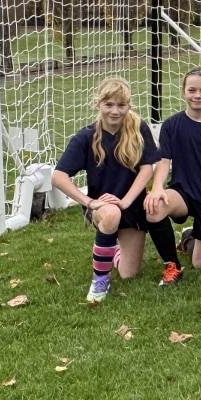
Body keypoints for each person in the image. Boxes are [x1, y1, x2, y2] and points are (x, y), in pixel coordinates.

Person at [52, 76, 165, 303]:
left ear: (129, 106)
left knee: (129, 274)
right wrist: (90, 202)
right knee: (111, 214)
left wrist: (125, 202)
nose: (115, 111)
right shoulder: (86, 137)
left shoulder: (137, 129)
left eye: (121, 105)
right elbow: (58, 177)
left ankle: (110, 249)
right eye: (109, 105)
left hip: (131, 207)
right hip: (102, 207)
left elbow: (147, 169)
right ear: (98, 104)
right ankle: (100, 280)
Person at [145, 67, 201, 273]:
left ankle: (189, 238)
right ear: (183, 91)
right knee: (155, 206)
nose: (197, 96)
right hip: (182, 193)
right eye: (192, 90)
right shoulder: (172, 125)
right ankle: (172, 266)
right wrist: (157, 188)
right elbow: (164, 160)